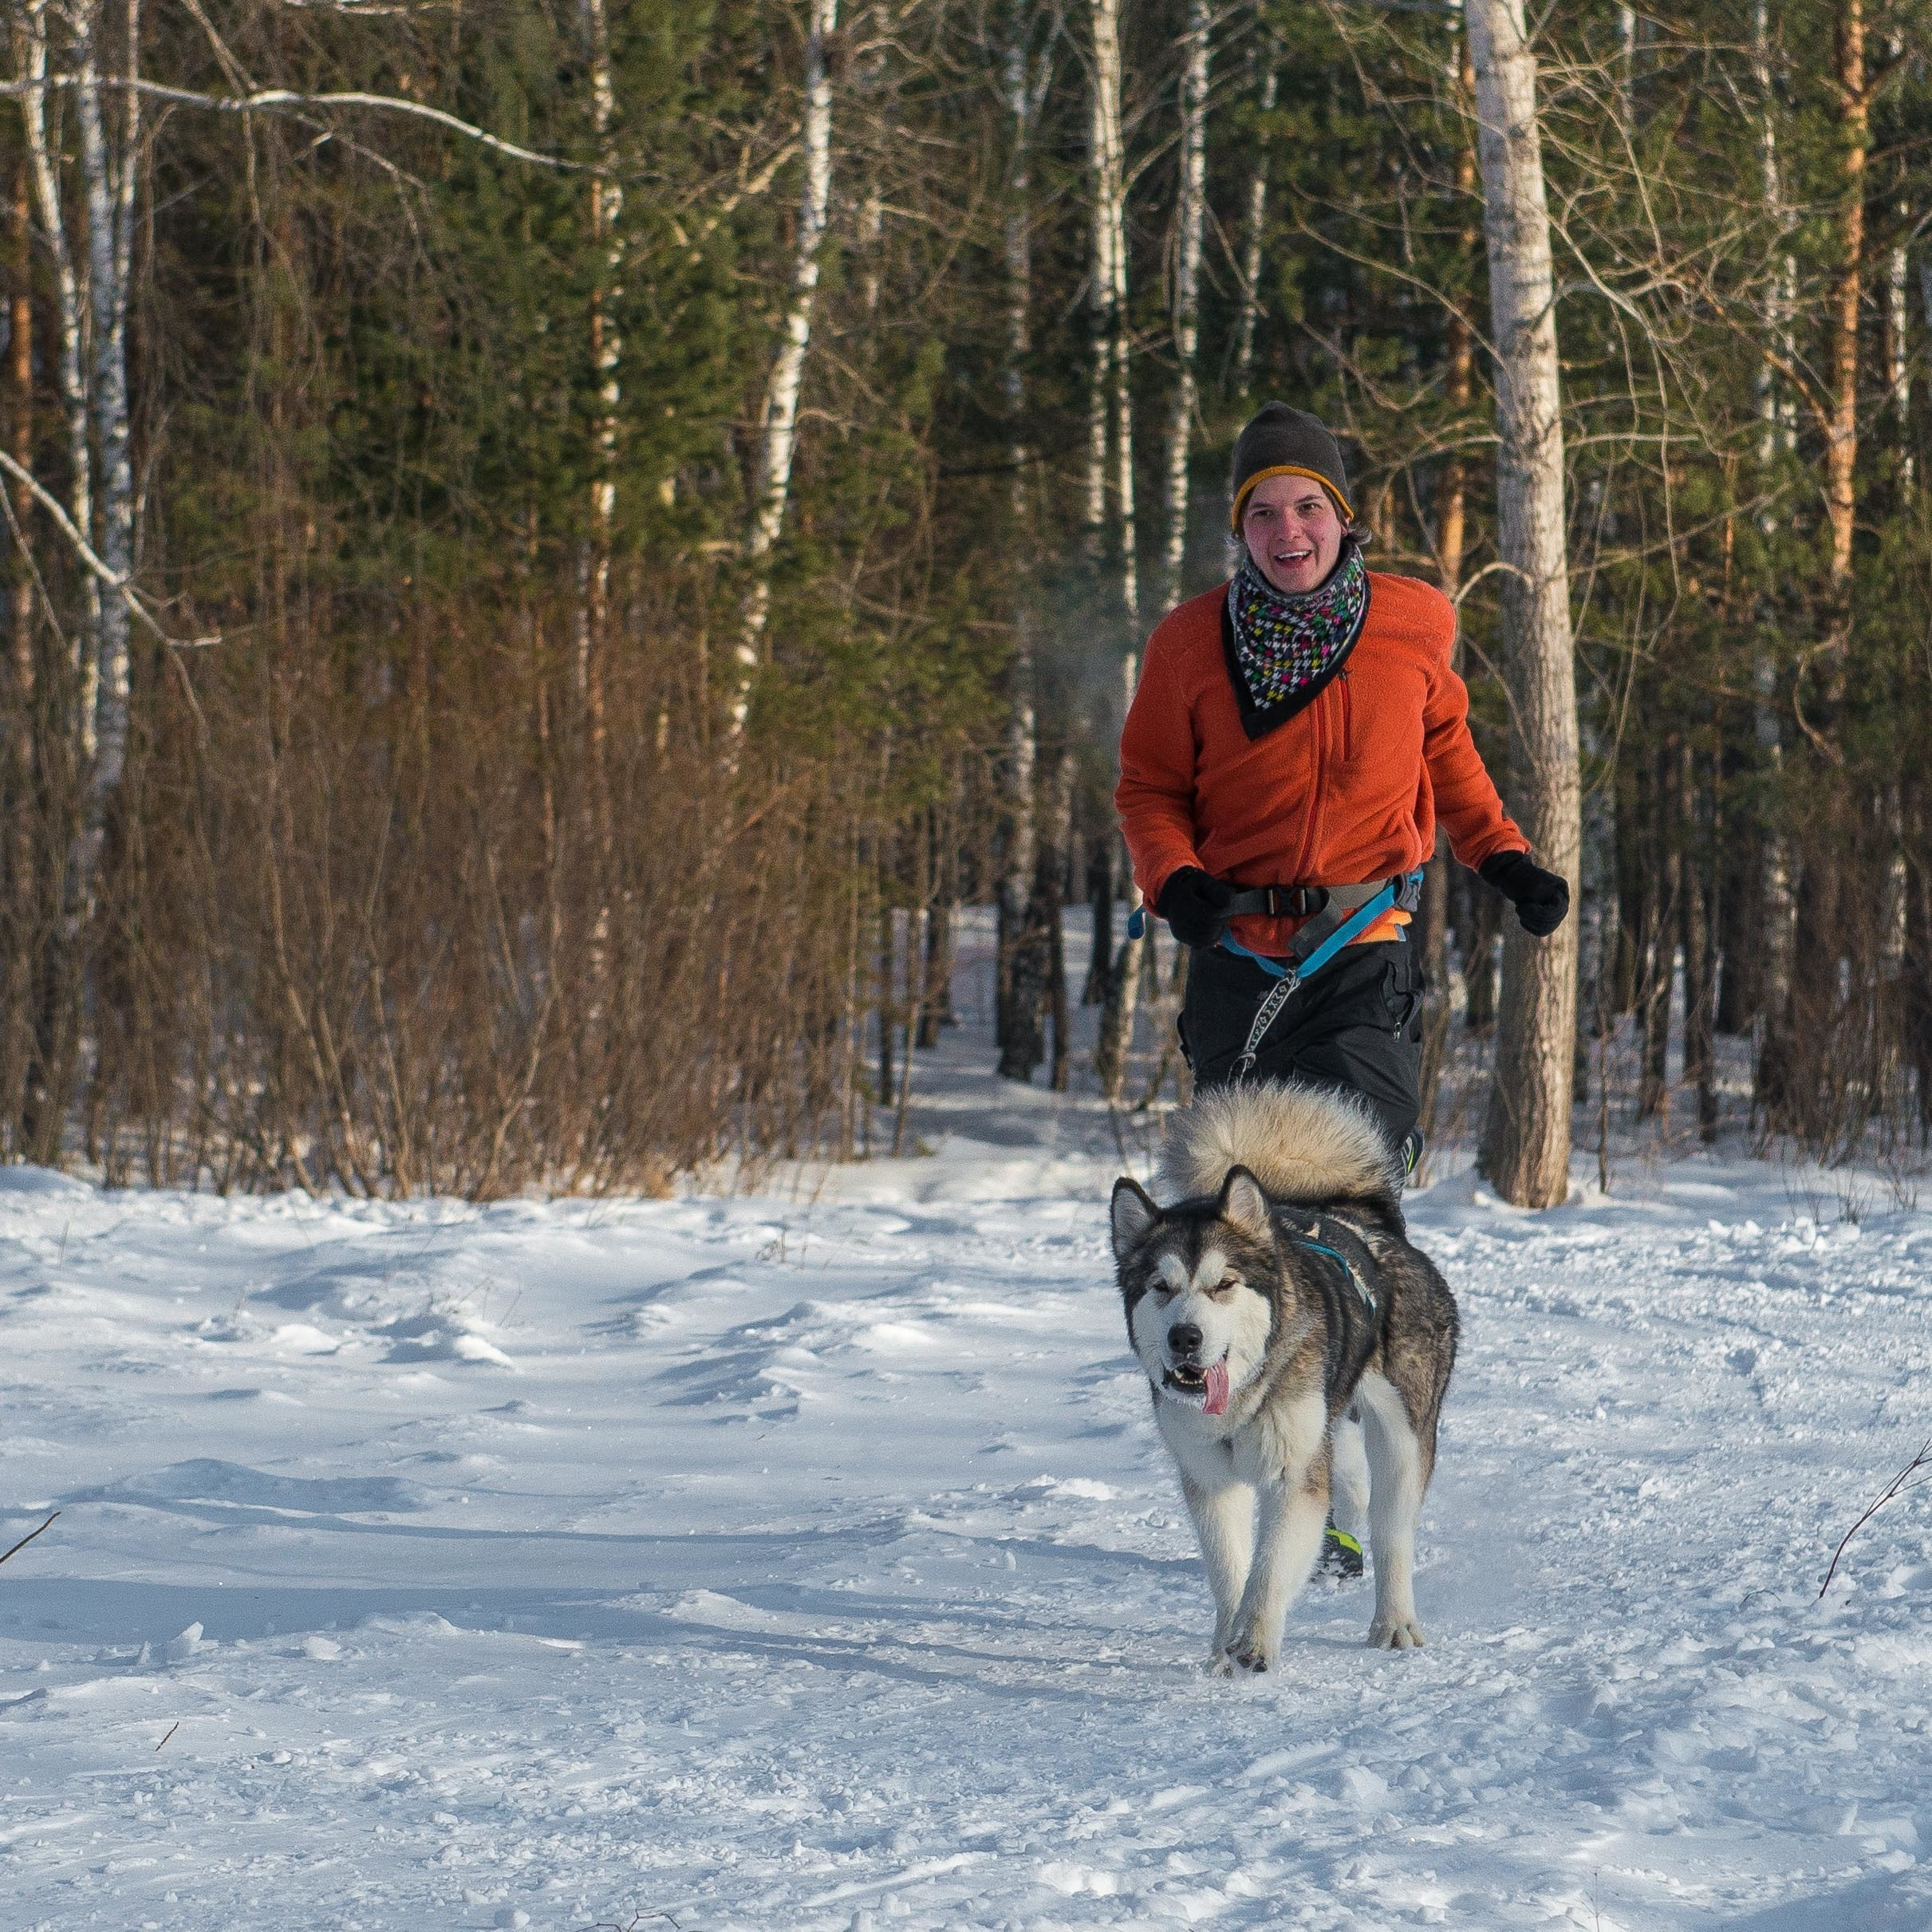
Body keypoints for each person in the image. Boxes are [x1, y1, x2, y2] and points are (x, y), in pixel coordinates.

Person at [1117, 402, 1569, 1575]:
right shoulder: (1185, 645)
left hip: (1362, 945)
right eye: (1262, 512)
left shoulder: (1414, 624)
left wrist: (1504, 857)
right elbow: (1149, 789)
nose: (1288, 529)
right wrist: (1176, 884)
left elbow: (1450, 763)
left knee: (1352, 1206)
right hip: (1237, 955)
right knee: (1244, 1212)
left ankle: (1347, 1473)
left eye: (1307, 506)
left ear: (1343, 517)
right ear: (1239, 530)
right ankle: (1269, 1461)